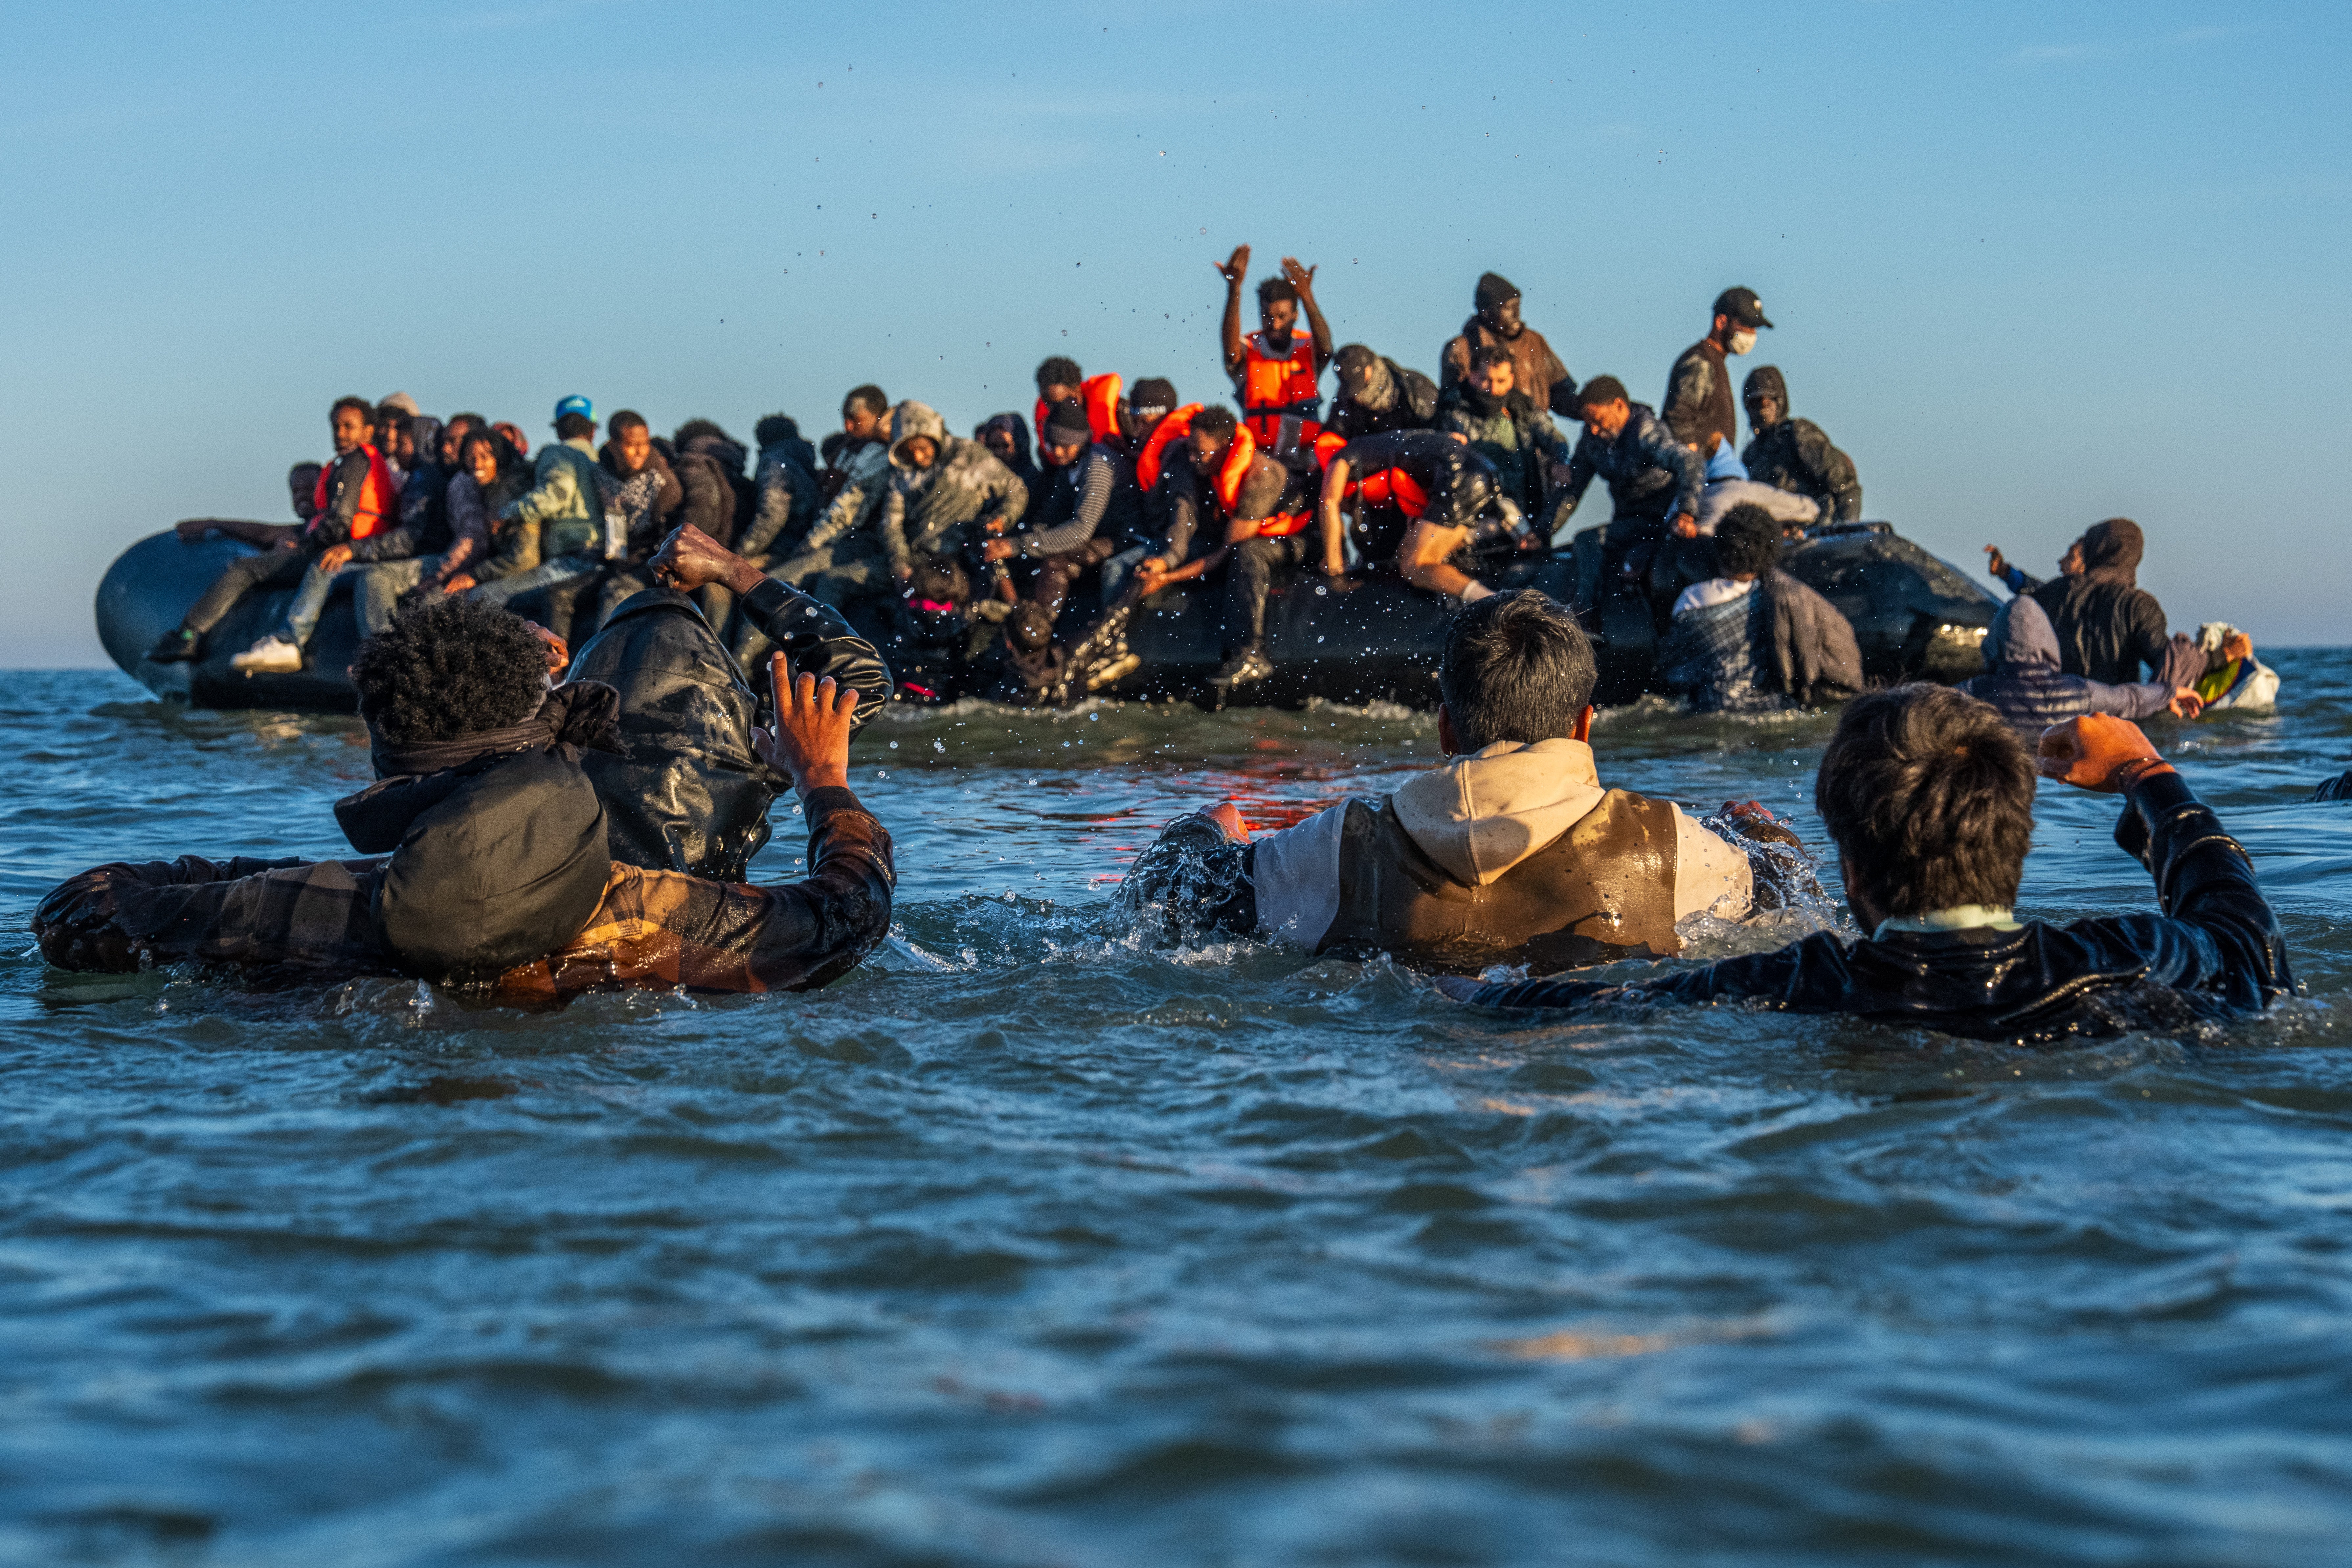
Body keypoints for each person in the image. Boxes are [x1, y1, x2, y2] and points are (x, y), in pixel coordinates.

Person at [38, 582, 895, 999]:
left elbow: (87, 910)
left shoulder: (320, 908)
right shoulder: (639, 910)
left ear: (391, 770)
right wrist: (825, 784)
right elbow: (843, 919)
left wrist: (239, 876)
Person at [1439, 692, 2294, 1043]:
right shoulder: (2125, 957)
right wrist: (2147, 774)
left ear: (1847, 864)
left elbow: (1592, 1006)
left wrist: (1465, 985)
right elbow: (2245, 935)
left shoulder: (1795, 981)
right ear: (2016, 844)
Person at [1117, 590, 1790, 973]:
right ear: (1584, 723)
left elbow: (1166, 897)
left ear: (1445, 727)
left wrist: (1207, 829)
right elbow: (1792, 896)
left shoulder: (1338, 846)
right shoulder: (1670, 846)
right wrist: (1760, 833)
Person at [569, 522, 894, 882]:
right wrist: (732, 569)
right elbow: (865, 679)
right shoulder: (751, 739)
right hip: (704, 923)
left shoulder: (544, 740)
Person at [148, 396, 399, 665]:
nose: (340, 434)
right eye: (336, 427)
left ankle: (188, 635)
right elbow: (272, 532)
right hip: (362, 550)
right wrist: (215, 524)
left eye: (349, 427)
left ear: (368, 432)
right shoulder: (371, 465)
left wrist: (303, 548)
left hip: (340, 554)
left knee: (245, 568)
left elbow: (339, 523)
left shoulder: (352, 464)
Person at [1133, 406, 1317, 692]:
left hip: (1303, 542)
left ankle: (1252, 655)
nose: (1193, 459)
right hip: (1261, 538)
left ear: (1226, 446)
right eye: (1190, 451)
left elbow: (1227, 553)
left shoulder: (1260, 478)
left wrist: (1167, 579)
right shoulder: (1212, 469)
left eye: (1200, 453)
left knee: (1248, 554)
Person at [1657, 504, 1865, 712]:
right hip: (1772, 709)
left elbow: (1674, 672)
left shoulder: (1693, 598)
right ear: (1771, 551)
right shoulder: (1784, 599)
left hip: (1707, 711)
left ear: (1719, 548)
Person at [1316, 429, 1530, 603]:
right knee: (1419, 555)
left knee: (1414, 567)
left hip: (1457, 476)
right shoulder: (1386, 445)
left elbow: (1329, 502)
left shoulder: (1342, 456)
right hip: (1482, 470)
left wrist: (1334, 567)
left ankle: (1493, 603)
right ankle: (1492, 524)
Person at [982, 401, 1148, 620]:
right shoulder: (1068, 466)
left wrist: (1016, 546)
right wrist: (1011, 536)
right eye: (1052, 446)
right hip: (1099, 536)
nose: (1058, 452)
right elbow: (1051, 519)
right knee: (1032, 556)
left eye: (1065, 446)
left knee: (1055, 565)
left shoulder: (1098, 466)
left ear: (1082, 442)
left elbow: (1080, 531)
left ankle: (1037, 631)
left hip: (1128, 539)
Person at [1553, 377, 1706, 614]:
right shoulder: (1591, 439)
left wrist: (1687, 512)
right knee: (1584, 542)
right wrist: (1541, 532)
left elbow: (1689, 460)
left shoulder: (1645, 432)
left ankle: (1585, 615)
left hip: (1659, 522)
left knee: (1600, 545)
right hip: (1626, 521)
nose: (1593, 429)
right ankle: (1587, 617)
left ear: (1619, 406)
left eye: (1598, 420)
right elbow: (1573, 490)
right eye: (1588, 422)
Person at [468, 396, 611, 635]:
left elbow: (555, 494)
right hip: (599, 560)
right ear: (593, 431)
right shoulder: (599, 461)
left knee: (482, 597)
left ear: (559, 429)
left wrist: (505, 513)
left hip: (573, 560)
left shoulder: (559, 454)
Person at [1957, 593, 2200, 733]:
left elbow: (1927, 707)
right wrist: (2168, 691)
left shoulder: (1974, 693)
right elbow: (2129, 699)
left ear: (1993, 643)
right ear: (2048, 640)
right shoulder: (2078, 693)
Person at [1985, 518, 2186, 686]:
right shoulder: (2137, 606)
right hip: (2115, 718)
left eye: (2071, 556)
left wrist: (2006, 573)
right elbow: (2165, 662)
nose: (2060, 562)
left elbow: (2031, 598)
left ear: (2091, 557)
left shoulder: (2059, 592)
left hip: (2062, 712)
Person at [756, 386, 897, 617]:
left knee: (772, 587)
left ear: (878, 417)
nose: (847, 427)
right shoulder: (849, 448)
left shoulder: (879, 455)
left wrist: (806, 547)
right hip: (826, 541)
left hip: (852, 543)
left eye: (855, 419)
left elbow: (845, 514)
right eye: (845, 419)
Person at [877, 401, 1028, 584]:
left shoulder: (969, 455)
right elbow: (891, 523)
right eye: (910, 452)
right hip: (916, 558)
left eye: (923, 448)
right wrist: (901, 565)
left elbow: (1017, 489)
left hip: (962, 556)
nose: (918, 457)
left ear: (934, 437)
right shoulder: (902, 472)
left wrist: (1002, 518)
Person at [1436, 344, 1574, 534]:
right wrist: (1445, 445)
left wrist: (1561, 461)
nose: (1493, 389)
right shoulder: (1452, 411)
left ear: (1511, 380)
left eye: (1501, 381)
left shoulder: (1523, 408)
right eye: (1486, 380)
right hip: (1470, 521)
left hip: (1524, 519)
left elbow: (1554, 437)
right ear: (1473, 376)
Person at [1216, 245, 1333, 454]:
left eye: (1282, 317)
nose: (1275, 325)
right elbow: (1231, 354)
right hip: (1262, 459)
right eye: (1268, 317)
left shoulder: (1309, 348)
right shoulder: (1248, 349)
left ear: (1296, 315)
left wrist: (1306, 294)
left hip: (1308, 456)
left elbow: (1327, 349)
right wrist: (1235, 289)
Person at [1439, 272, 1578, 416]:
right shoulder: (1461, 349)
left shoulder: (1535, 342)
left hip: (1534, 433)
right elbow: (1452, 406)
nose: (1516, 314)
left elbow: (1562, 395)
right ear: (1487, 313)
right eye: (1508, 308)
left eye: (1517, 306)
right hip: (1483, 434)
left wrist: (1589, 407)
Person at [1740, 366, 1861, 523]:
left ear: (1780, 400)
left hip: (1816, 532)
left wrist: (1845, 532)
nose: (1762, 407)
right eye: (1755, 403)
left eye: (1766, 400)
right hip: (1776, 538)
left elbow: (1846, 487)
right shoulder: (1751, 454)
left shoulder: (1799, 434)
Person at [1663, 287, 1773, 456]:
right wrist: (1694, 469)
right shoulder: (1700, 363)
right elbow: (1678, 420)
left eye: (1755, 328)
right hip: (1699, 478)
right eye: (1746, 326)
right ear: (1721, 322)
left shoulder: (1714, 361)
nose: (1752, 334)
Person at [1324, 344, 1438, 442]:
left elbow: (1436, 436)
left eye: (1359, 381)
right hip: (1366, 464)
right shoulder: (1346, 396)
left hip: (1415, 462)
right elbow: (1333, 434)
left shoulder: (1416, 388)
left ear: (1370, 368)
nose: (1358, 396)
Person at [1033, 357, 1124, 447]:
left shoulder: (1121, 412)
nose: (1051, 410)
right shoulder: (1046, 420)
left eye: (1056, 405)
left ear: (1076, 394)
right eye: (1046, 403)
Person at [975, 413, 1042, 495]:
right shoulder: (980, 482)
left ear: (1019, 445)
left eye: (1006, 446)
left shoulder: (1038, 483)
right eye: (994, 446)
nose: (1000, 453)